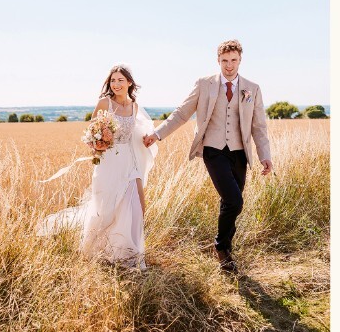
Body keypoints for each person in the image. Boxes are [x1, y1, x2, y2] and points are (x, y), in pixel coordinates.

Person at [143, 40, 273, 275]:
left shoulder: (252, 88)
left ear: (240, 60)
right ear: (218, 60)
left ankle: (226, 249)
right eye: (225, 61)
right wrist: (157, 134)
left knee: (230, 202)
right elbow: (182, 113)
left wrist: (265, 155)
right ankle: (221, 248)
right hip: (213, 150)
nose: (229, 66)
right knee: (235, 200)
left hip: (239, 152)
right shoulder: (204, 84)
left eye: (234, 60)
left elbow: (259, 126)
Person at [39, 65, 157, 268]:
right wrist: (97, 143)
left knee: (138, 205)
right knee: (106, 209)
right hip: (108, 162)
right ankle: (101, 250)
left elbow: (135, 134)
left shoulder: (134, 106)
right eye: (113, 80)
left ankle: (132, 254)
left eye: (121, 80)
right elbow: (91, 132)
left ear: (129, 83)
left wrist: (146, 139)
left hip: (129, 162)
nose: (116, 84)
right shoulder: (105, 103)